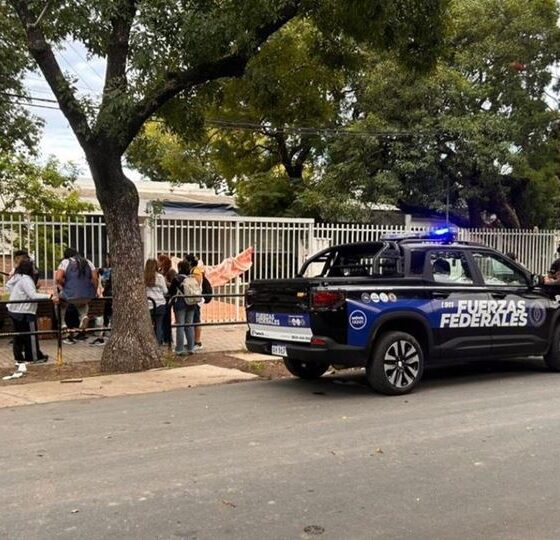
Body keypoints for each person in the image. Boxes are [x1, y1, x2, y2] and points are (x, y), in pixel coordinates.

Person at [6, 260, 51, 363]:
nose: (35, 270)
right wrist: (50, 296)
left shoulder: (17, 277)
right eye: (33, 268)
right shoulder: (26, 279)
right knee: (31, 335)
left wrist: (18, 294)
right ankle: (34, 357)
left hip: (14, 310)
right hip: (25, 312)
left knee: (19, 336)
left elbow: (9, 286)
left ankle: (19, 358)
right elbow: (33, 296)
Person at [55, 248, 98, 344]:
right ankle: (83, 316)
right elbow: (95, 278)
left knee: (60, 302)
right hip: (87, 294)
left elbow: (58, 278)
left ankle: (62, 323)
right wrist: (94, 291)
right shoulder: (88, 262)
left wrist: (64, 285)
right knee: (83, 304)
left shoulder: (65, 262)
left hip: (70, 294)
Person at [168, 260, 197, 355]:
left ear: (179, 268)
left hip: (180, 303)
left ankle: (179, 348)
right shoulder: (191, 278)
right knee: (189, 325)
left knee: (180, 325)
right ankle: (191, 347)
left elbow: (171, 291)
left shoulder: (177, 278)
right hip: (191, 303)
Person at [90, 253, 112, 346]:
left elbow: (104, 281)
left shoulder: (109, 270)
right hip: (109, 295)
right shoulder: (107, 270)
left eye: (107, 258)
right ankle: (101, 336)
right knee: (107, 315)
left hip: (110, 295)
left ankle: (102, 336)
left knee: (107, 315)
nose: (106, 260)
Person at [145, 258, 168, 344]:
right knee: (159, 325)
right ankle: (158, 343)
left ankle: (149, 343)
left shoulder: (143, 277)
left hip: (148, 304)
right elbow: (165, 291)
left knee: (148, 325)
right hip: (160, 303)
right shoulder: (160, 277)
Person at [185, 253, 204, 350]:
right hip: (193, 298)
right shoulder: (193, 270)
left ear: (189, 262)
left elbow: (196, 284)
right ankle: (192, 341)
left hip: (195, 299)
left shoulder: (196, 271)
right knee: (192, 320)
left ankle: (198, 342)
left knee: (196, 320)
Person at [157, 254, 176, 345]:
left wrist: (165, 282)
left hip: (168, 297)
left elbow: (173, 285)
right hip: (162, 297)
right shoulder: (161, 271)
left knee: (166, 318)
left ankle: (168, 338)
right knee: (163, 319)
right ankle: (164, 337)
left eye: (159, 260)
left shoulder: (171, 271)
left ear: (163, 261)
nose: (158, 262)